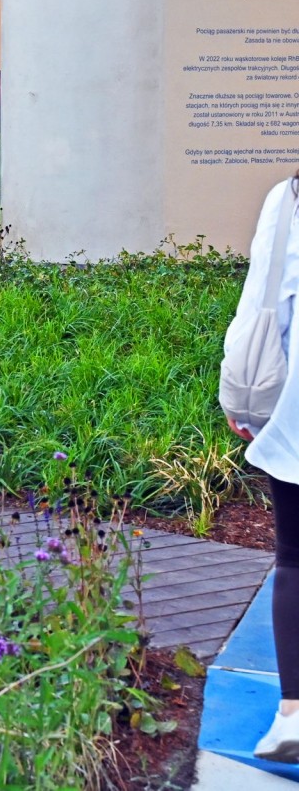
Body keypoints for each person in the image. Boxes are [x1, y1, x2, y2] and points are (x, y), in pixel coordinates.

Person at [222, 171, 299, 761]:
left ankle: (294, 715)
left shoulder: (289, 198)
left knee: (296, 560)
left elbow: (263, 305)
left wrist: (243, 400)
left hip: (297, 417)